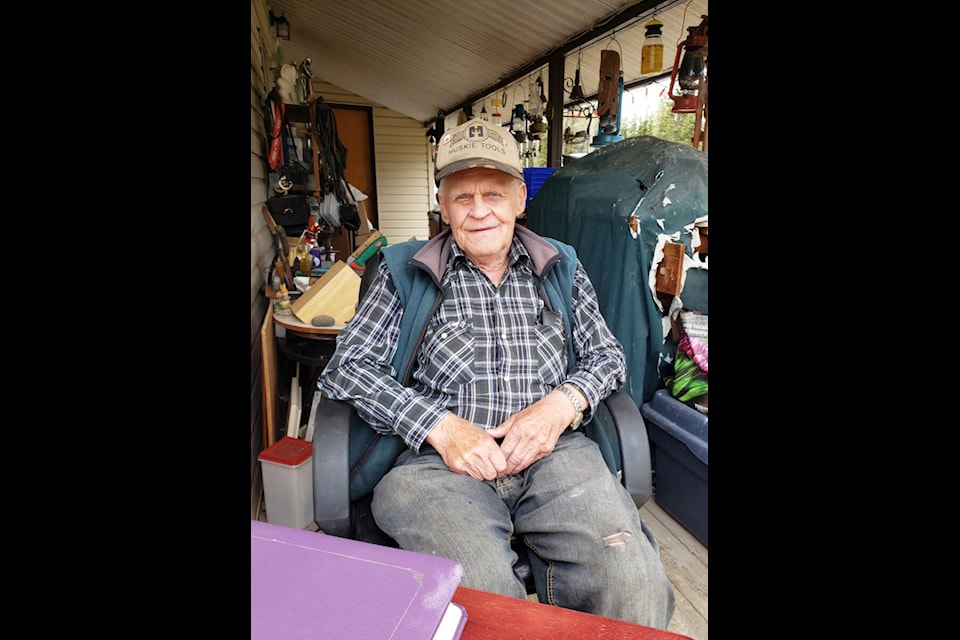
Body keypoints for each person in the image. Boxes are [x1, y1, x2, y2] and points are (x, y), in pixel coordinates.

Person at [318, 117, 675, 628]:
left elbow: (607, 356)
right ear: (443, 205)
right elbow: (347, 368)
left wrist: (561, 405)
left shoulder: (561, 266)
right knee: (481, 597)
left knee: (633, 579)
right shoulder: (403, 271)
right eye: (462, 197)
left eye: (493, 193)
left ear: (518, 200)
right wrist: (438, 426)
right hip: (435, 466)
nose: (480, 210)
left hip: (558, 457)